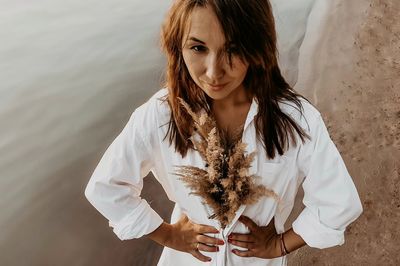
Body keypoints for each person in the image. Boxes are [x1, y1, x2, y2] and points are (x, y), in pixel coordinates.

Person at [84, 0, 363, 265]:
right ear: (178, 46)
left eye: (232, 49)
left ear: (257, 45)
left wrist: (280, 244)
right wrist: (167, 233)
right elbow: (107, 186)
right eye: (198, 48)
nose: (214, 71)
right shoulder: (161, 114)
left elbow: (338, 201)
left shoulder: (295, 119)